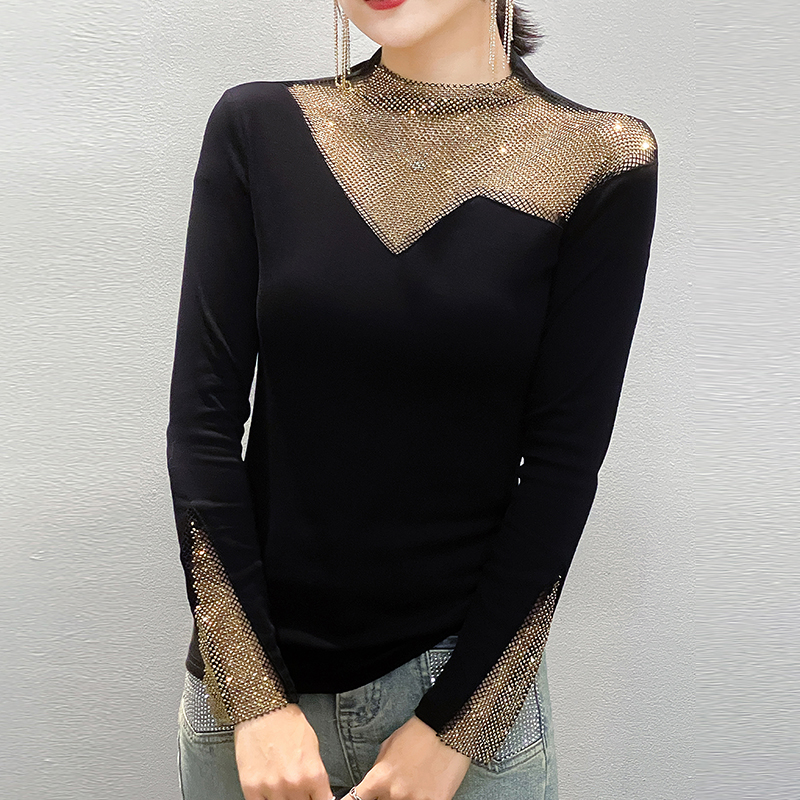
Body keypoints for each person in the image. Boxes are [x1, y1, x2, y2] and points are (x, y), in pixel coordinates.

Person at [166, 1, 659, 798]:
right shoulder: (259, 126)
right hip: (251, 711)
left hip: (461, 702)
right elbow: (203, 427)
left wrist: (456, 727)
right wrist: (251, 700)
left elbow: (562, 469)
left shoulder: (597, 159)